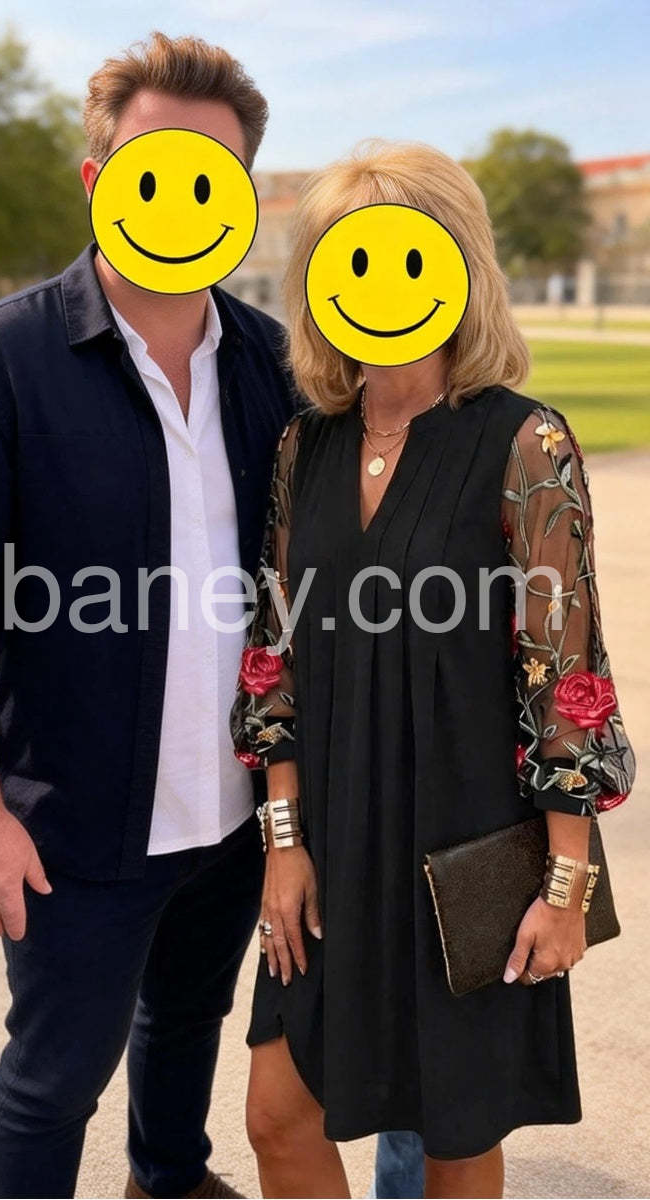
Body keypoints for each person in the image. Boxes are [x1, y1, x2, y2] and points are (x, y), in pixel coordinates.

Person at [0, 32, 292, 1200]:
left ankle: (168, 1178)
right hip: (72, 826)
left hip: (232, 812)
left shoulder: (269, 363)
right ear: (97, 178)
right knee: (55, 1079)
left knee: (187, 1018)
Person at [231, 140, 635, 1199]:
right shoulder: (303, 448)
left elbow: (566, 680)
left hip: (466, 844)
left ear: (459, 269)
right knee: (277, 1116)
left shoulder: (524, 444)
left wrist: (564, 888)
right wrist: (283, 843)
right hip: (331, 843)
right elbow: (271, 662)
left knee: (456, 1136)